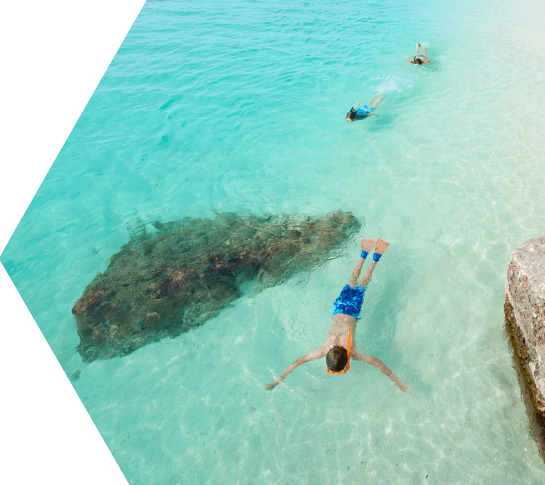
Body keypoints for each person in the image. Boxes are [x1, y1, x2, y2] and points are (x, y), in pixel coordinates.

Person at [263, 237, 410, 394]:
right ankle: (363, 254)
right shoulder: (324, 349)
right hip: (338, 308)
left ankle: (374, 260)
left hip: (352, 310)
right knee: (352, 282)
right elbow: (299, 362)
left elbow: (377, 363)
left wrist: (399, 383)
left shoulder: (351, 352)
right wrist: (276, 380)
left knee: (362, 285)